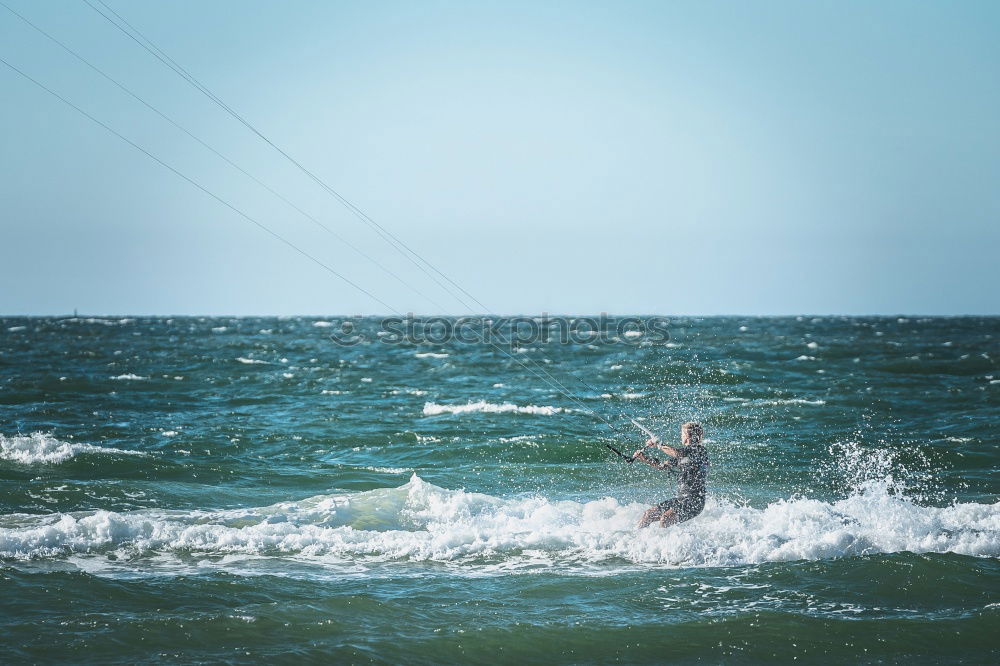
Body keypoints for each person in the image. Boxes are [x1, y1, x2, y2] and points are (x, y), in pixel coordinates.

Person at [633, 422, 709, 528]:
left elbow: (678, 453)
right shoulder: (684, 455)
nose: (681, 436)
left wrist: (659, 444)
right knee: (648, 514)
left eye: (682, 434)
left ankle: (662, 544)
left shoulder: (700, 451)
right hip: (681, 500)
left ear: (688, 436)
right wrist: (643, 458)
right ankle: (635, 539)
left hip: (695, 502)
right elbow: (661, 466)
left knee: (666, 518)